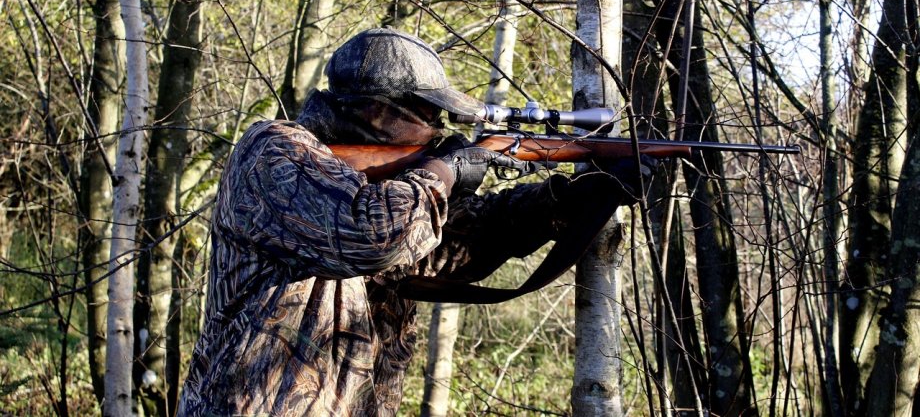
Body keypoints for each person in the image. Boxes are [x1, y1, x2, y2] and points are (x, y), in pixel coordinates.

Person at [177, 27, 646, 416]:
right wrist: (442, 173)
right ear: (376, 109)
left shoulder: (386, 188)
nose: (439, 127)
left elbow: (454, 250)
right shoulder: (274, 151)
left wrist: (573, 199)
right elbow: (373, 236)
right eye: (427, 113)